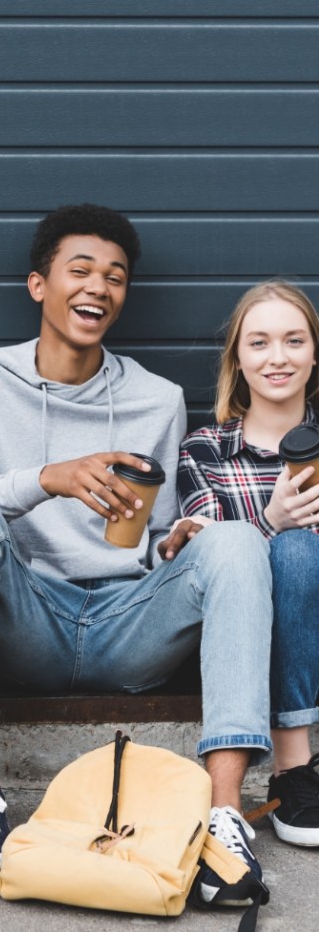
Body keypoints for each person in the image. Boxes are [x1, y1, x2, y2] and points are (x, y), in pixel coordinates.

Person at [0, 204, 272, 907]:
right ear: (37, 285)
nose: (99, 287)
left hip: (127, 622)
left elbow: (161, 527)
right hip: (30, 617)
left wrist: (174, 542)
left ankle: (224, 817)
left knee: (233, 538)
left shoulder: (158, 398)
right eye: (80, 269)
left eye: (115, 277)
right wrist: (46, 478)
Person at [178, 279, 319, 848]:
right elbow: (213, 561)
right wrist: (272, 522)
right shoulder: (205, 450)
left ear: (315, 351)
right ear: (237, 357)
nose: (278, 358)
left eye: (294, 340)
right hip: (255, 643)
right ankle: (293, 767)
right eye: (259, 343)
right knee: (290, 551)